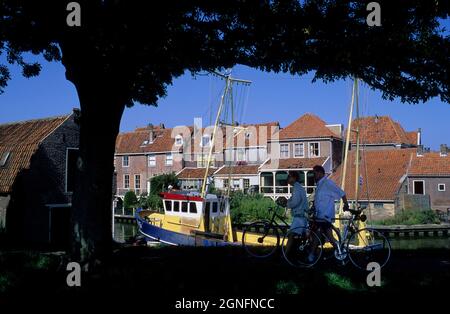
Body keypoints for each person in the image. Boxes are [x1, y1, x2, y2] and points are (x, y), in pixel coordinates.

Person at [311, 165, 349, 250]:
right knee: (327, 236)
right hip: (319, 215)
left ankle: (312, 254)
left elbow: (341, 193)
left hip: (325, 215)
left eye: (315, 173)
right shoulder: (319, 185)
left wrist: (346, 205)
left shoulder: (327, 183)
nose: (313, 176)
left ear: (320, 173)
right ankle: (340, 251)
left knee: (319, 234)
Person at [283, 171, 309, 257]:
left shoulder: (297, 188)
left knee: (291, 235)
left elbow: (295, 202)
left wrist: (287, 204)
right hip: (301, 215)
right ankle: (298, 254)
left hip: (299, 216)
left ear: (294, 178)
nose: (288, 179)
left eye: (289, 177)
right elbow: (294, 199)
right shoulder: (298, 187)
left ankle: (285, 255)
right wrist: (288, 201)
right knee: (298, 237)